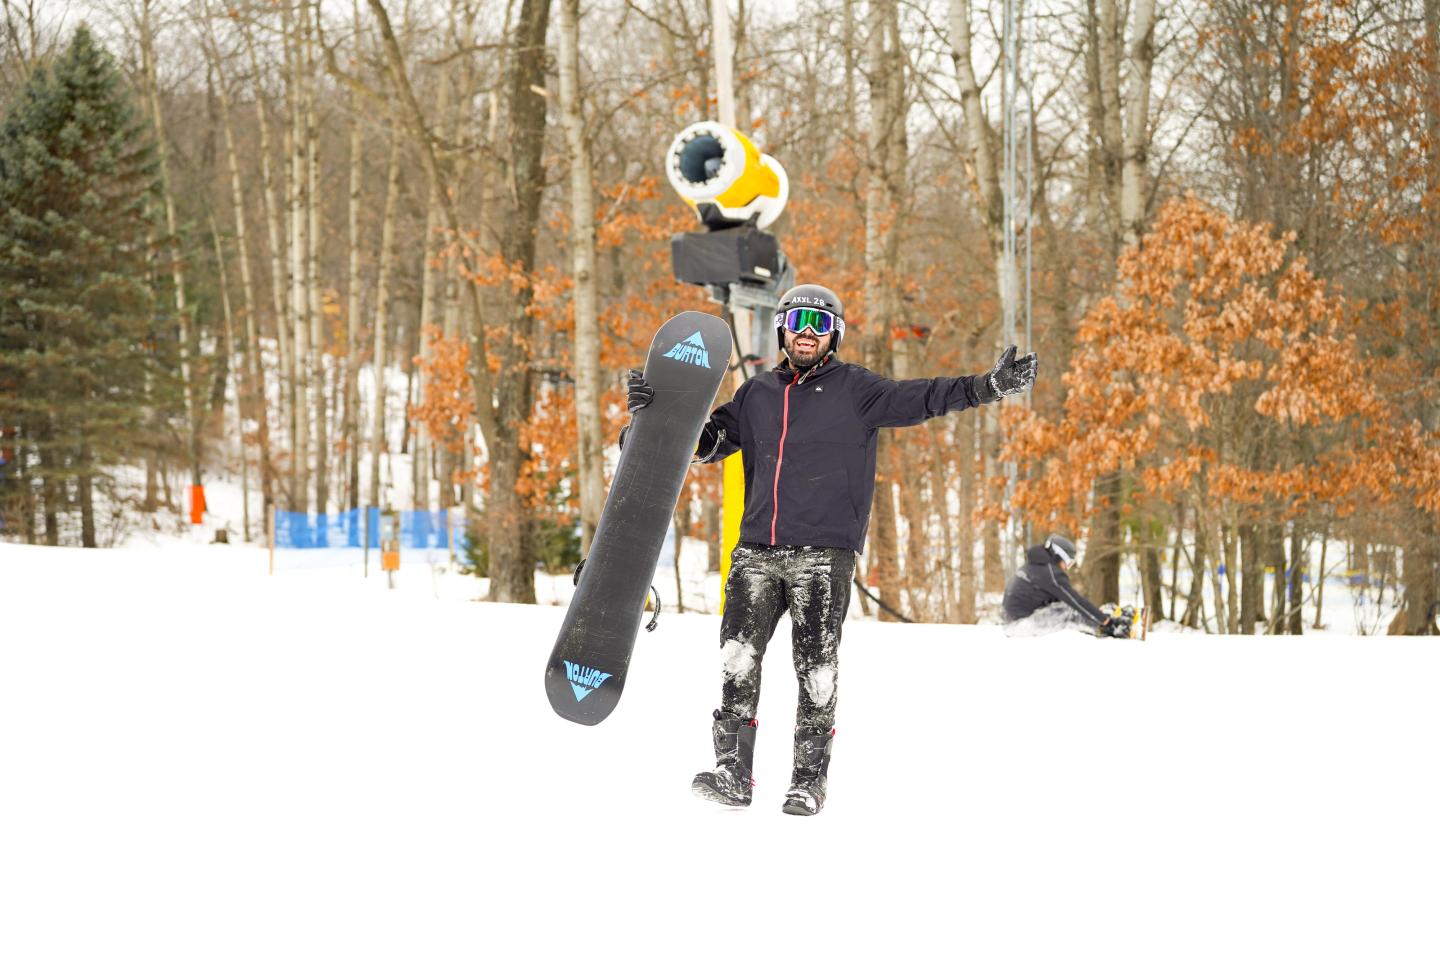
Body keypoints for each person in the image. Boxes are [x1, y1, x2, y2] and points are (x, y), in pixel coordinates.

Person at [626, 283, 1037, 815]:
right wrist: (649, 417)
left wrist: (986, 386)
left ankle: (807, 781)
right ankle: (732, 771)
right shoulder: (756, 394)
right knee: (737, 658)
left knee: (815, 667)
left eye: (819, 326)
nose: (805, 334)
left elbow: (925, 396)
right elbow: (704, 443)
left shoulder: (857, 391)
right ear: (781, 329)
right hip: (756, 552)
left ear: (834, 337)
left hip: (822, 554)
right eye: (797, 322)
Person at [1001, 534, 1129, 636]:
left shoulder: (1036, 566)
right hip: (1020, 626)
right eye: (1068, 562)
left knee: (1064, 608)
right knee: (1069, 611)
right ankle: (1109, 628)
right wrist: (1106, 622)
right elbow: (1075, 601)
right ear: (1058, 555)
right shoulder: (1050, 572)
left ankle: (1102, 621)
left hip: (1012, 623)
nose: (1067, 568)